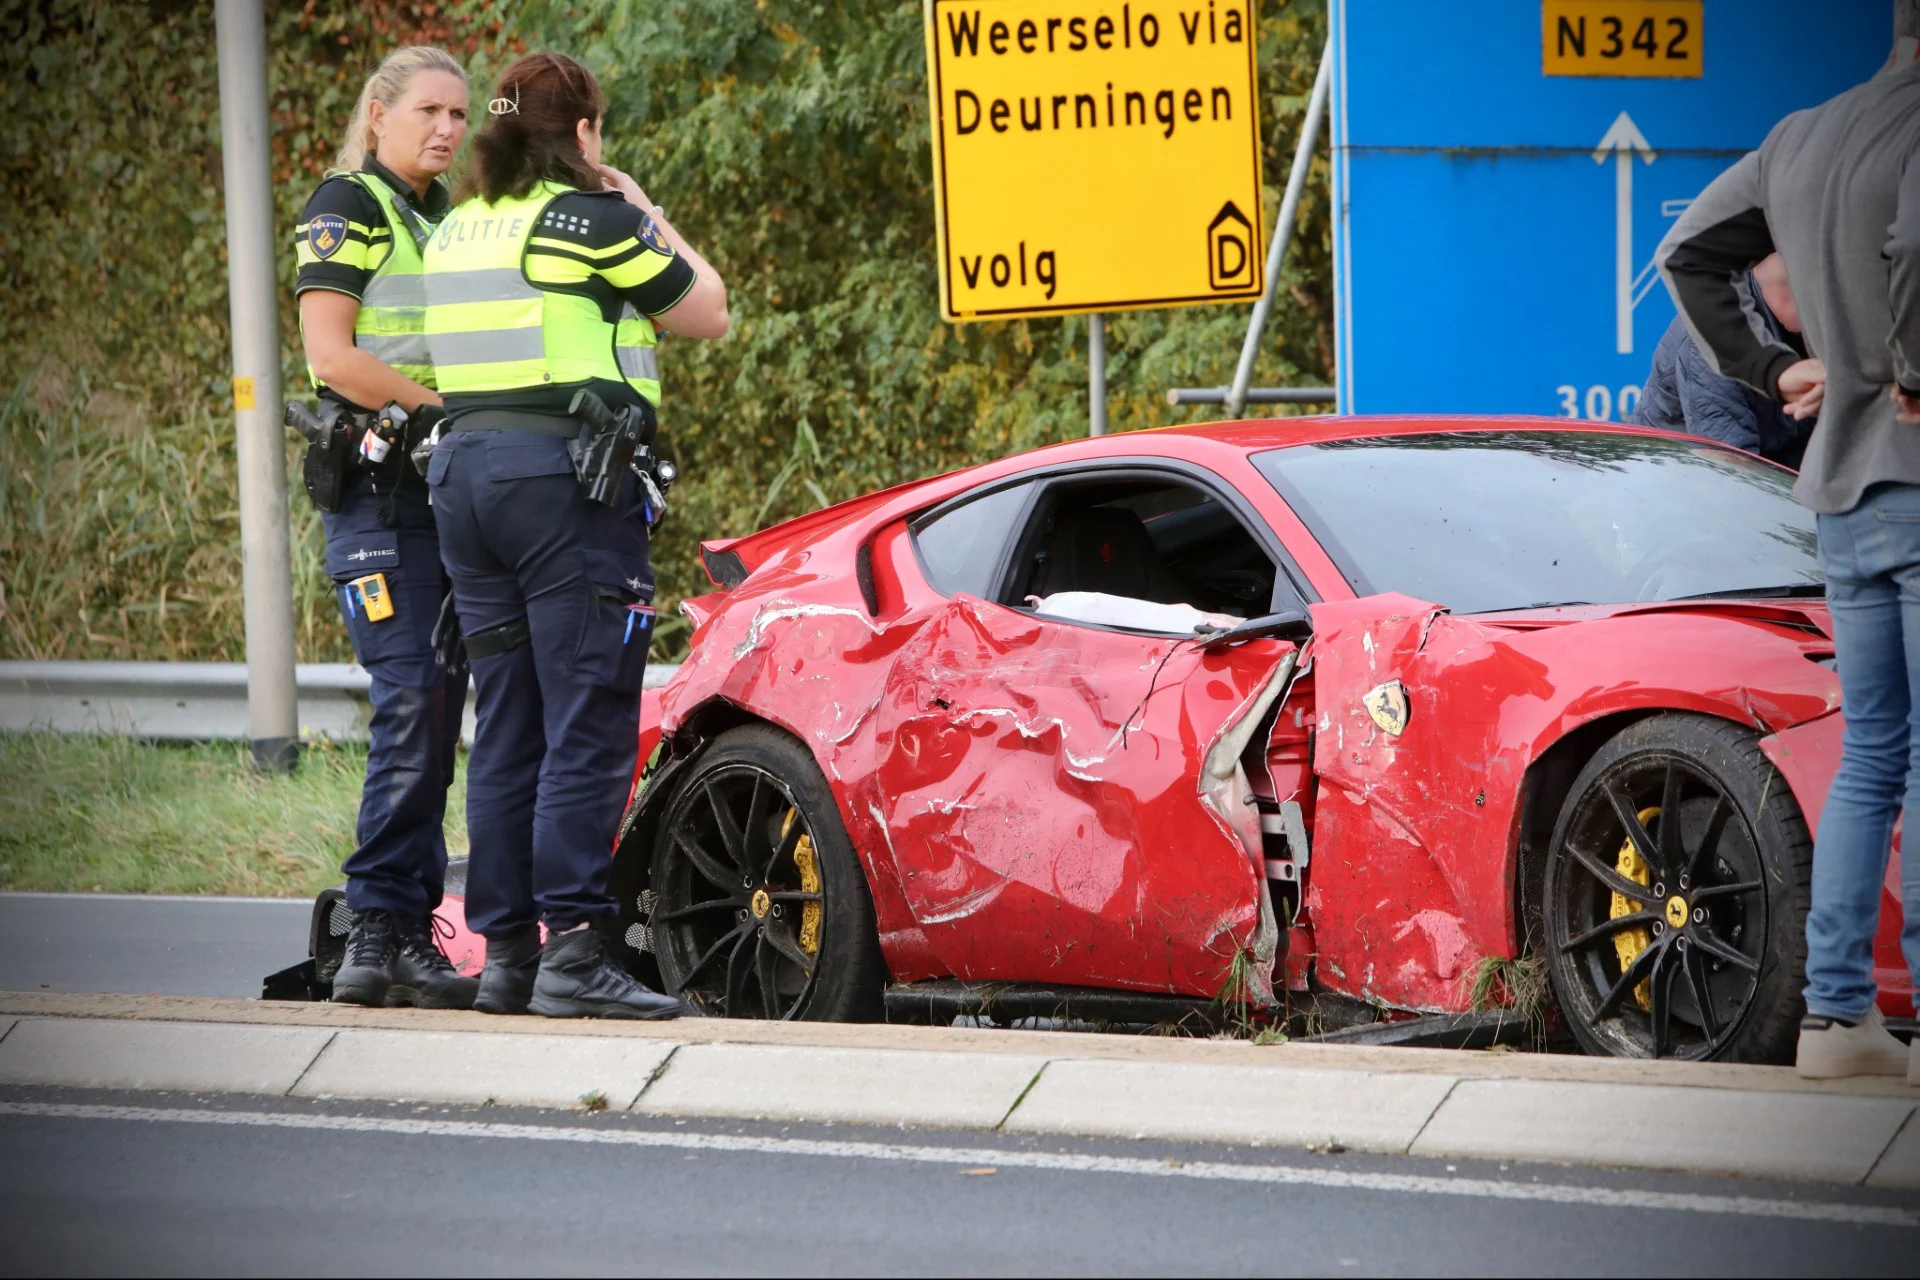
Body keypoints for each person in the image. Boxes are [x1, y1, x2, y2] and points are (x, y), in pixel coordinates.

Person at [421, 52, 729, 1018]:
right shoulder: (591, 220)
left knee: (507, 722)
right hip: (564, 487)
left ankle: (508, 955)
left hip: (465, 481)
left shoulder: (458, 227)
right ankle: (576, 954)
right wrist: (643, 207)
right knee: (587, 720)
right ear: (583, 133)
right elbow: (707, 312)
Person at [1654, 21, 1920, 1081]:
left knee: (1873, 756)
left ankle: (1837, 1020)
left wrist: (1767, 369)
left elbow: (1688, 253)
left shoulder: (1800, 135)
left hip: (1843, 497)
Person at [293, 46, 478, 1009]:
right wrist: (443, 409)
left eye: (458, 114)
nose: (447, 129)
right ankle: (376, 927)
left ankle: (407, 931)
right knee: (412, 702)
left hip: (444, 493)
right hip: (379, 499)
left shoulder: (445, 219)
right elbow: (332, 356)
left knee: (440, 711)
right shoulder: (348, 205)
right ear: (378, 114)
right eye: (428, 112)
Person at [1633, 254, 1815, 467]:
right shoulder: (1712, 332)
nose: (1801, 301)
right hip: (1676, 482)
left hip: (1776, 478)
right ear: (1755, 266)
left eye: (1812, 285)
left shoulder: (1833, 322)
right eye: (1787, 284)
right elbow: (1731, 471)